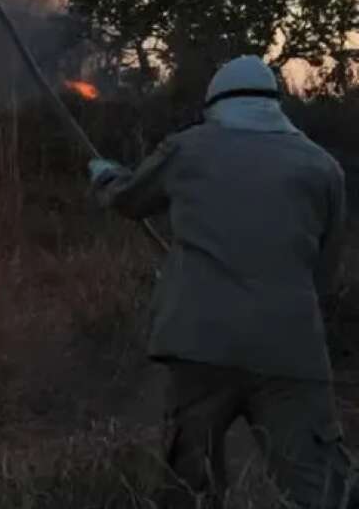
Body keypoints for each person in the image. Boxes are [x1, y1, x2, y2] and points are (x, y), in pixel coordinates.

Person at [89, 55, 353, 507]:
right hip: (289, 349)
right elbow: (325, 274)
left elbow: (131, 200)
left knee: (191, 482)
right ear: (276, 103)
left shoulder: (187, 149)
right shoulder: (323, 166)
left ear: (216, 103)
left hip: (199, 344)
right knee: (322, 484)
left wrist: (105, 176)